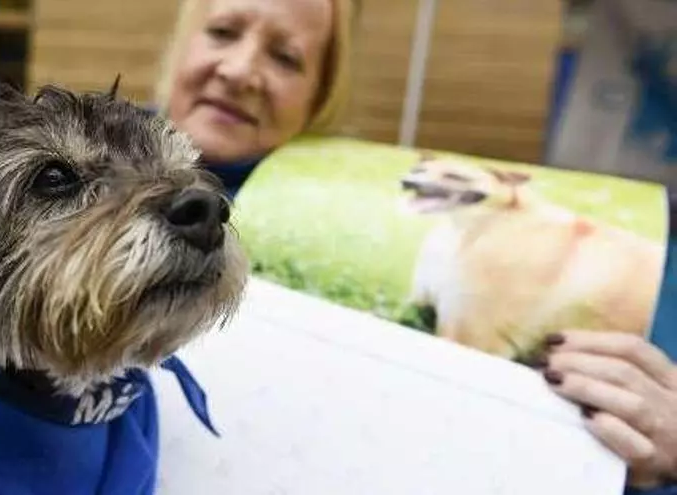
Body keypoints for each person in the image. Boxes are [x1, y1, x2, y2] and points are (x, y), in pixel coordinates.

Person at [152, 0, 677, 492]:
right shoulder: (100, 152)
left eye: (286, 58)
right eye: (223, 32)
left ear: (320, 96)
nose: (240, 71)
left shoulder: (376, 224)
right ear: (181, 42)